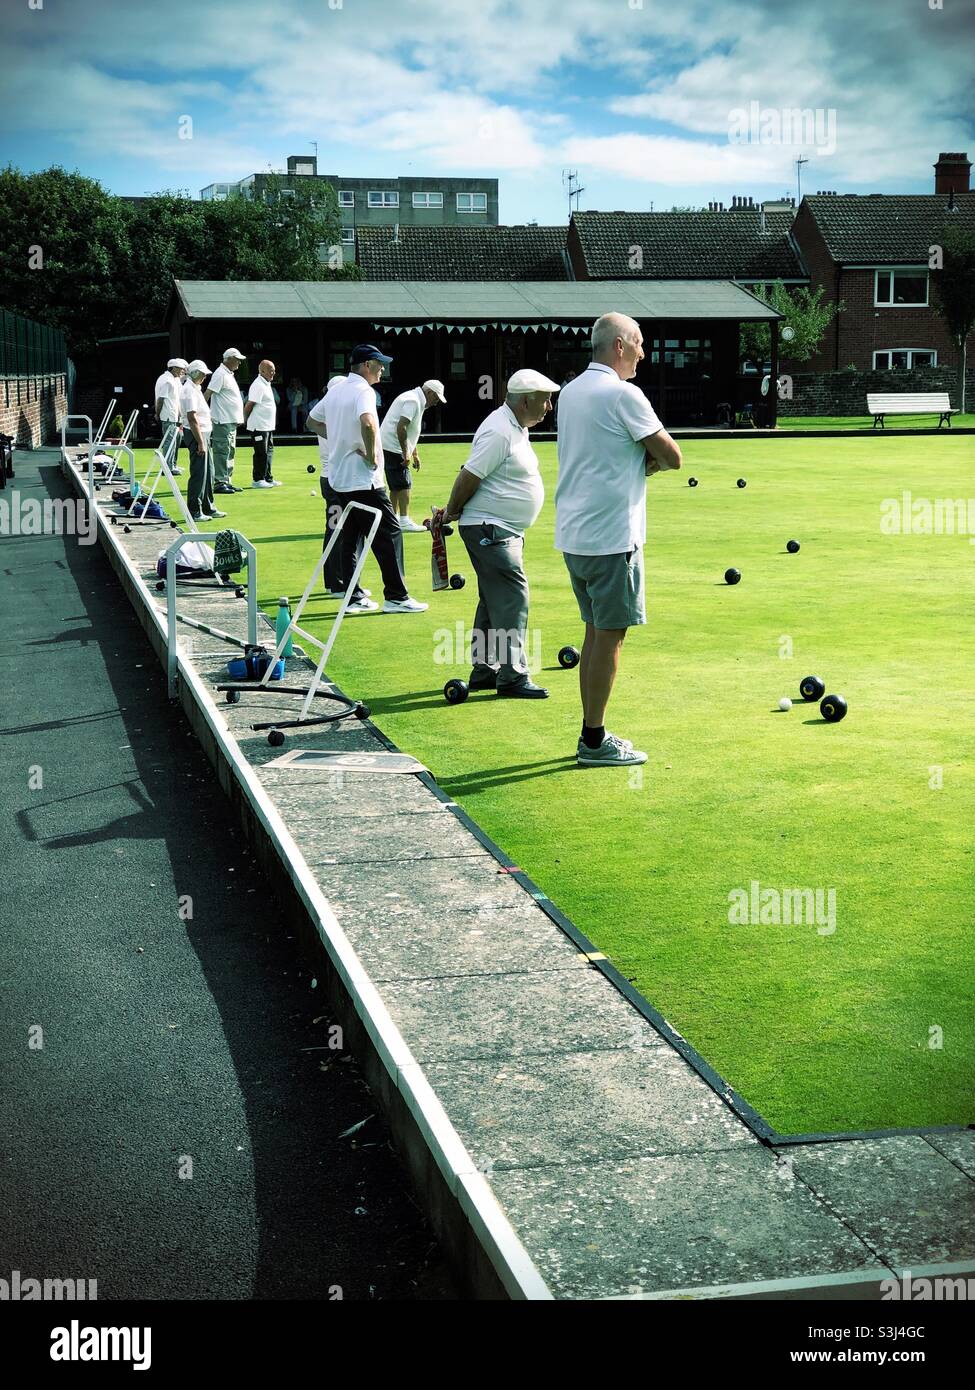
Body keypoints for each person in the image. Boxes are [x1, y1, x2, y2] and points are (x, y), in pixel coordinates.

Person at [555, 311, 682, 767]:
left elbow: (603, 452)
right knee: (609, 638)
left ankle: (592, 733)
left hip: (575, 535)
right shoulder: (625, 394)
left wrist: (635, 464)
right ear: (621, 347)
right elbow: (672, 455)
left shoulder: (570, 392)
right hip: (612, 535)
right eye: (641, 344)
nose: (645, 354)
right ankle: (593, 740)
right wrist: (647, 464)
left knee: (594, 634)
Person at [437, 369, 558, 698]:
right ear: (523, 401)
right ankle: (512, 675)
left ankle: (484, 669)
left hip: (498, 527)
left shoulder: (515, 426)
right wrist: (451, 510)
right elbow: (469, 475)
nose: (549, 406)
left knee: (493, 599)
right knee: (512, 597)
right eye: (544, 399)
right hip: (490, 528)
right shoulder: (500, 430)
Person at [323, 344, 428, 616]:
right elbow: (369, 424)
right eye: (380, 364)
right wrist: (370, 456)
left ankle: (353, 597)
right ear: (367, 365)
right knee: (390, 532)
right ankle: (396, 596)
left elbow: (313, 421)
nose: (383, 369)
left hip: (340, 478)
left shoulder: (336, 391)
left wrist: (341, 438)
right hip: (363, 479)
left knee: (351, 538)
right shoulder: (363, 391)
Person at [306, 376, 367, 598]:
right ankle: (338, 583)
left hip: (330, 481)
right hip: (336, 483)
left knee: (335, 530)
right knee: (339, 531)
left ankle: (335, 582)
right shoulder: (334, 418)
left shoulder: (327, 416)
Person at [379, 379, 447, 530]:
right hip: (393, 446)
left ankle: (393, 518)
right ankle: (403, 520)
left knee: (396, 486)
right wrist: (405, 453)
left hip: (389, 446)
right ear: (429, 392)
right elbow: (401, 427)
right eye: (436, 398)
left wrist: (414, 453)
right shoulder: (413, 401)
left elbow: (411, 429)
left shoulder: (416, 398)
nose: (436, 402)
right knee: (404, 484)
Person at [180, 360, 224, 522]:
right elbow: (192, 418)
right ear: (195, 374)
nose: (205, 376)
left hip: (203, 433)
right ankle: (194, 510)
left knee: (209, 472)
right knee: (199, 473)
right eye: (203, 374)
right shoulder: (189, 390)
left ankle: (208, 507)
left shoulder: (195, 388)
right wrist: (200, 442)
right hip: (196, 434)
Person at [206, 348, 246, 495]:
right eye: (237, 359)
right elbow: (208, 393)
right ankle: (220, 482)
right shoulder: (220, 374)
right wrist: (201, 413)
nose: (239, 362)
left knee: (229, 451)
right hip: (222, 421)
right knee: (222, 451)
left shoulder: (227, 374)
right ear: (228, 359)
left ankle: (226, 480)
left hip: (230, 421)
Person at [244, 359, 280, 489]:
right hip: (258, 426)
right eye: (271, 370)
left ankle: (268, 478)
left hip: (267, 426)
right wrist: (243, 419)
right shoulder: (258, 384)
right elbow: (250, 404)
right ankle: (258, 480)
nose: (273, 373)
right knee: (261, 453)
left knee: (269, 451)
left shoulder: (266, 383)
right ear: (262, 371)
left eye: (274, 370)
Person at [154, 357, 187, 475]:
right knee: (170, 442)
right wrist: (158, 414)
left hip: (174, 416)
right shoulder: (167, 380)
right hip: (168, 416)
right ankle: (167, 467)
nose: (182, 371)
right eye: (180, 369)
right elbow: (160, 400)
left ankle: (172, 464)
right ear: (173, 368)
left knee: (175, 441)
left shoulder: (172, 379)